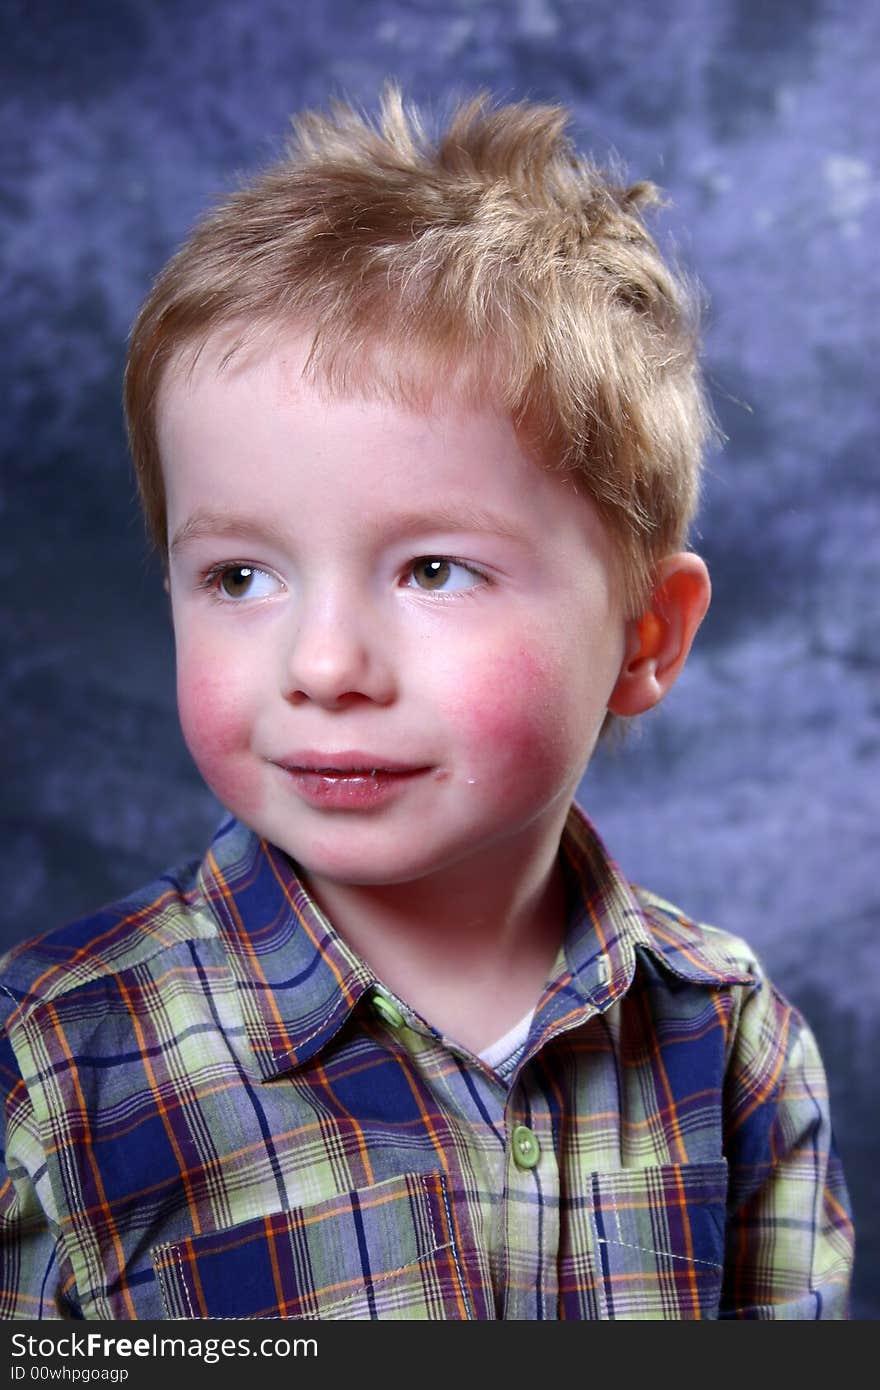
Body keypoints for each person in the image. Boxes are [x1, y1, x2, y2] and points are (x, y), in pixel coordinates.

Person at [0, 86, 854, 1321]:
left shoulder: (734, 1047)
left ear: (644, 636)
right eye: (240, 576)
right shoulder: (55, 1067)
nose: (325, 663)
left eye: (433, 570)